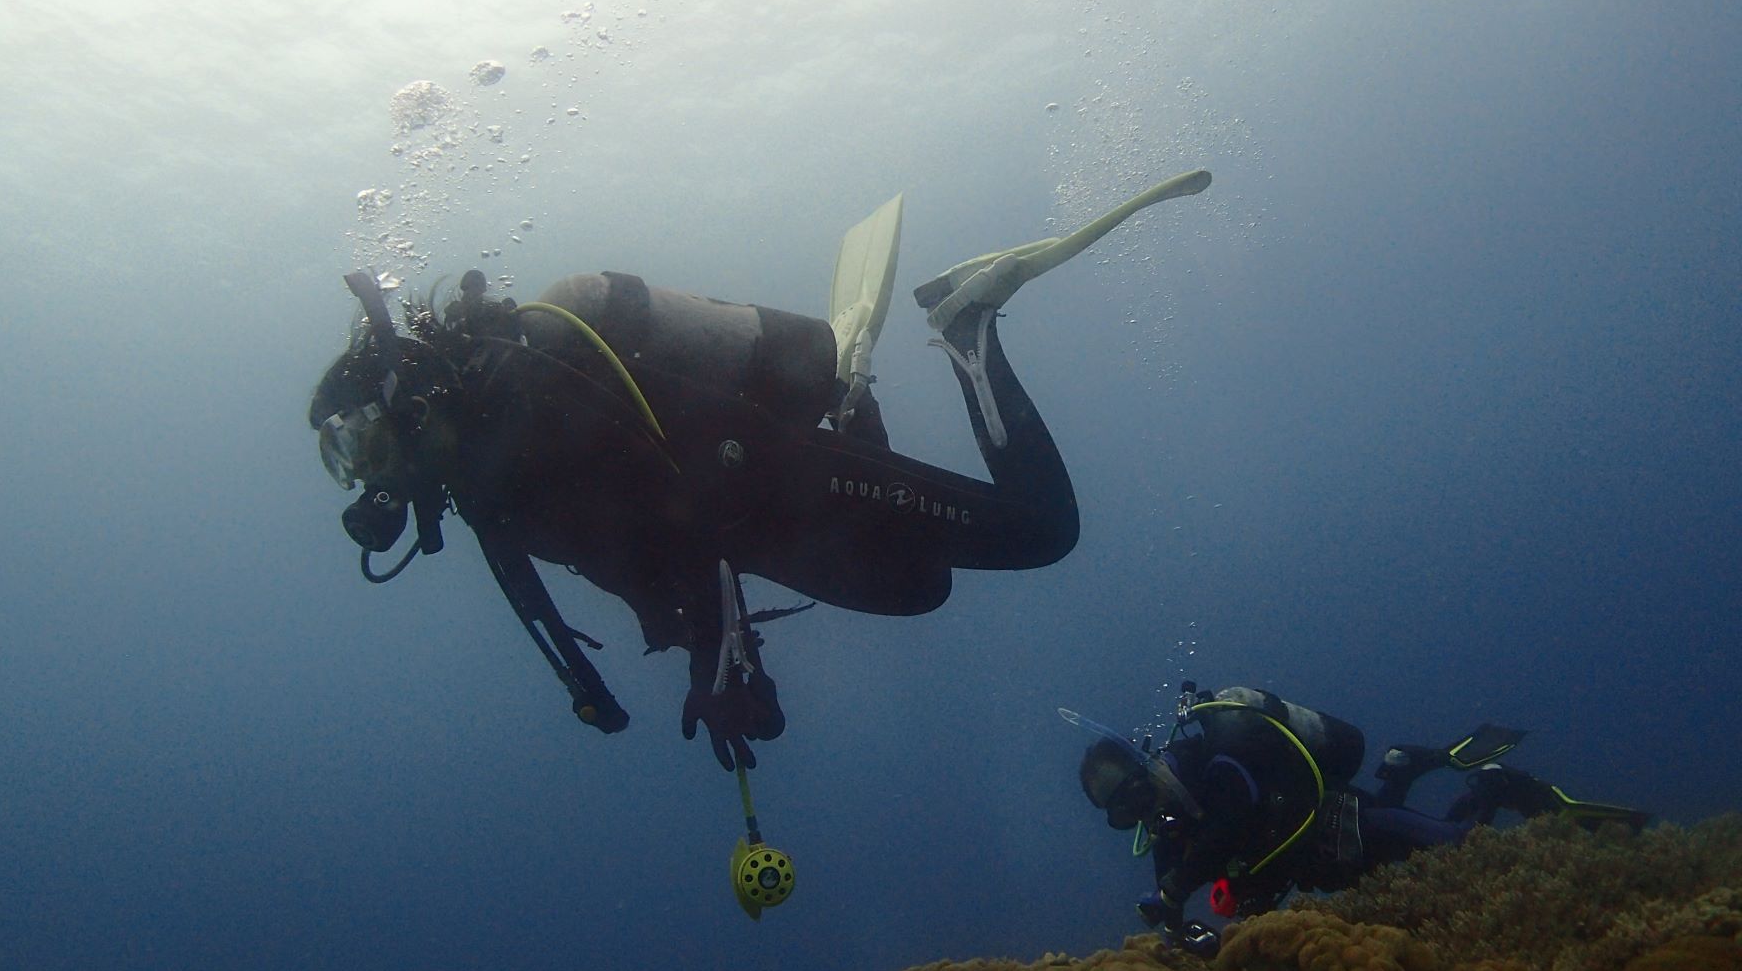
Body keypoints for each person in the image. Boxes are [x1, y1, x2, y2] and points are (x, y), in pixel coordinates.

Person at [309, 174, 1211, 773]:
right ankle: (859, 412)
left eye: (359, 441)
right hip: (764, 524)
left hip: (766, 473)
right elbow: (630, 559)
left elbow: (672, 515)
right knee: (919, 588)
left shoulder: (522, 396)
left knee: (1042, 533)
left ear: (404, 397)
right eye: (342, 460)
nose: (363, 474)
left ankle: (969, 333)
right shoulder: (484, 479)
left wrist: (721, 657)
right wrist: (722, 662)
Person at [1074, 682, 1649, 958]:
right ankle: (1401, 769)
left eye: (1129, 792)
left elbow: (1235, 811)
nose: (1135, 812)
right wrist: (1184, 930)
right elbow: (1175, 900)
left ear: (1143, 762)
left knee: (1458, 847)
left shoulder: (1206, 761)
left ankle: (1493, 785)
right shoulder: (1168, 827)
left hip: (1339, 825)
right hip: (1310, 868)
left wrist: (1175, 889)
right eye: (1117, 811)